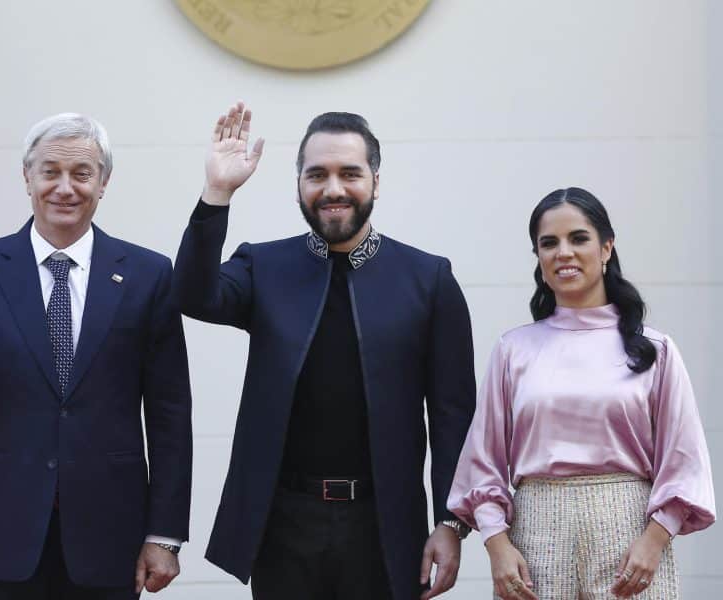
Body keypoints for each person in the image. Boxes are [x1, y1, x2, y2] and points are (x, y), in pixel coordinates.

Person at [0, 113, 193, 599]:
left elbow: (171, 414)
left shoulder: (148, 275)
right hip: (3, 537)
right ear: (27, 177)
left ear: (104, 182)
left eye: (81, 174)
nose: (64, 188)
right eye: (50, 172)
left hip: (110, 537)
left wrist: (165, 534)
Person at [172, 103, 476, 599]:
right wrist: (217, 193)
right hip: (285, 524)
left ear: (375, 182)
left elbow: (453, 415)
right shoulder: (262, 267)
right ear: (299, 185)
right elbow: (191, 295)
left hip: (384, 526)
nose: (333, 189)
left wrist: (450, 520)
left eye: (349, 174)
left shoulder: (428, 280)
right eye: (317, 175)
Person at [447, 187, 716, 600]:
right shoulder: (513, 350)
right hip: (534, 536)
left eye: (579, 238)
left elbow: (684, 457)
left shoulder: (655, 350)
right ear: (537, 256)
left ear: (606, 247)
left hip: (631, 536)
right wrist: (496, 545)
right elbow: (483, 461)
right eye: (548, 243)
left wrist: (656, 538)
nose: (563, 253)